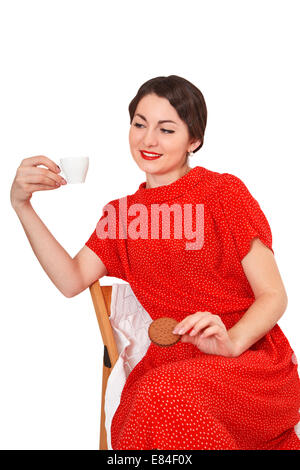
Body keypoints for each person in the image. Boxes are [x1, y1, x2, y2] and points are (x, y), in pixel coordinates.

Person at [10, 75, 300, 450]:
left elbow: (273, 294)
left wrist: (231, 343)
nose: (148, 140)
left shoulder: (223, 193)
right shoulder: (122, 216)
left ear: (193, 140)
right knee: (153, 398)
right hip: (171, 364)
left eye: (166, 129)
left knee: (162, 396)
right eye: (139, 124)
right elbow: (72, 279)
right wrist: (22, 206)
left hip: (245, 360)